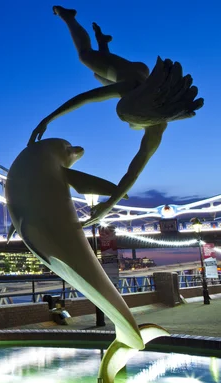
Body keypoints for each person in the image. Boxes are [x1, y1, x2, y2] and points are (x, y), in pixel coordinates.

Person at [29, 6, 203, 226]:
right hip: (131, 72)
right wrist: (47, 120)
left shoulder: (156, 129)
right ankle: (69, 17)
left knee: (97, 73)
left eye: (129, 120)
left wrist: (108, 206)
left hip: (137, 79)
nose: (127, 123)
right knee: (86, 57)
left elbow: (133, 172)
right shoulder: (128, 87)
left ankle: (103, 42)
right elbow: (84, 98)